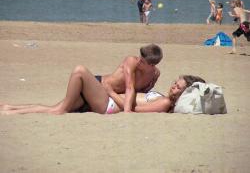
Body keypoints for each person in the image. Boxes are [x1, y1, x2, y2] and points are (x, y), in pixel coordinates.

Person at [0, 44, 163, 115]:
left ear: (152, 65)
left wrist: (123, 105)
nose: (138, 60)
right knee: (58, 109)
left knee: (54, 109)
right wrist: (127, 111)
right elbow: (129, 87)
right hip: (96, 86)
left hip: (104, 98)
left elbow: (138, 94)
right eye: (140, 57)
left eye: (143, 60)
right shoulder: (131, 61)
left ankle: (10, 108)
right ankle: (10, 110)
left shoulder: (154, 75)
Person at [0, 75, 205, 115]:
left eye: (178, 88)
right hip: (108, 100)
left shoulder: (163, 103)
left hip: (109, 105)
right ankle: (11, 108)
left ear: (184, 93)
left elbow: (132, 109)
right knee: (56, 106)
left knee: (80, 71)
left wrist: (109, 92)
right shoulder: (162, 96)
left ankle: (11, 110)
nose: (173, 88)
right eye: (174, 84)